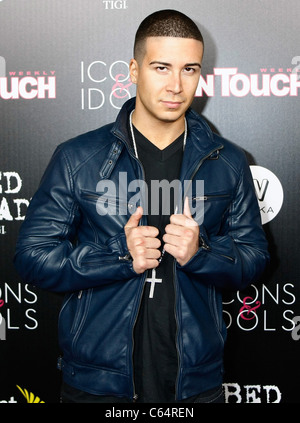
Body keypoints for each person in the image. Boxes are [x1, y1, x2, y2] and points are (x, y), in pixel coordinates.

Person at [14, 9, 269, 403]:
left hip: (195, 384)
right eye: (162, 67)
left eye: (189, 69)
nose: (176, 85)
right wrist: (118, 255)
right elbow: (33, 258)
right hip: (98, 384)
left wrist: (201, 252)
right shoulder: (77, 158)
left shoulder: (229, 162)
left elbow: (253, 258)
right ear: (134, 70)